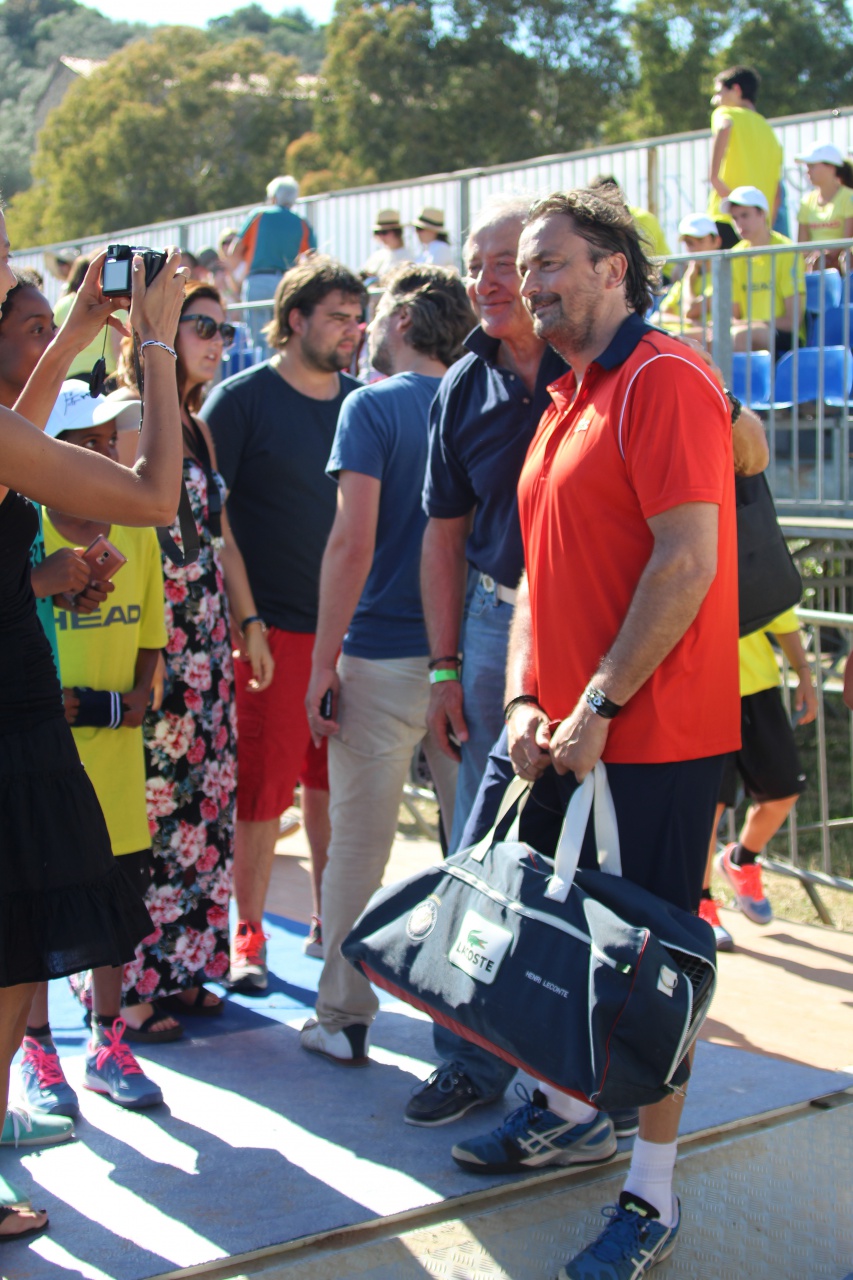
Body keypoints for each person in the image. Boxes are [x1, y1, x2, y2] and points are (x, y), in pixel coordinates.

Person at [452, 189, 739, 1279]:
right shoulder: (565, 396)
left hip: (654, 737)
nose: (529, 284)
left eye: (550, 263)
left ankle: (650, 1194)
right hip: (565, 735)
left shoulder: (665, 379)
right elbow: (537, 574)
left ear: (614, 267)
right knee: (558, 944)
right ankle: (569, 1114)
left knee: (655, 969)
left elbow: (686, 560)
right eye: (523, 267)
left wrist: (601, 703)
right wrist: (528, 699)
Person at [0, 215, 185, 1241]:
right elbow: (153, 496)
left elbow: (15, 442)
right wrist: (152, 342)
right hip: (10, 723)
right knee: (12, 950)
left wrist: (74, 331)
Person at [415, 195, 568, 1123]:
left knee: (581, 852)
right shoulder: (460, 383)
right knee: (479, 852)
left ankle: (574, 1070)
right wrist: (441, 668)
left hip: (590, 634)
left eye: (507, 261)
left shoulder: (600, 361)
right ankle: (468, 1058)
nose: (487, 280)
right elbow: (442, 535)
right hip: (487, 627)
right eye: (475, 264)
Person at [300, 264, 474, 1065]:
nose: (365, 325)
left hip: (376, 659)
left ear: (402, 320)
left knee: (357, 851)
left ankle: (342, 1016)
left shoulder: (369, 406)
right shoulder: (483, 399)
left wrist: (321, 661)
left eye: (375, 312)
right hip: (462, 661)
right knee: (472, 851)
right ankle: (476, 1026)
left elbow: (351, 542)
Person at [205, 258, 364, 989]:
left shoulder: (363, 404)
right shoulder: (239, 402)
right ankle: (248, 933)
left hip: (353, 638)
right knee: (262, 793)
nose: (351, 331)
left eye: (357, 319)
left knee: (333, 790)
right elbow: (209, 518)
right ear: (295, 319)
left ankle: (332, 922)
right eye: (337, 317)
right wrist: (248, 621)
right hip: (271, 635)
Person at [123, 282, 273, 1027]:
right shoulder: (129, 416)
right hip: (157, 633)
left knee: (205, 800)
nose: (217, 341)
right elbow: (120, 530)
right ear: (159, 330)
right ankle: (135, 984)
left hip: (208, 636)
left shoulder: (198, 425)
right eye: (201, 327)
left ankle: (188, 966)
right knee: (153, 808)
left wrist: (250, 623)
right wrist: (144, 647)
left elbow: (221, 537)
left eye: (223, 329)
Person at [20, 383, 168, 1114]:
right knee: (32, 906)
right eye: (86, 442)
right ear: (47, 452)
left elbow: (152, 640)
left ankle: (107, 1042)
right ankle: (36, 1049)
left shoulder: (136, 527)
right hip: (35, 760)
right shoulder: (21, 526)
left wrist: (135, 696)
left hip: (114, 762)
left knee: (113, 897)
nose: (106, 454)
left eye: (112, 440)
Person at [701, 610, 816, 950]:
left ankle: (741, 860)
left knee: (784, 791)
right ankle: (700, 904)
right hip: (701, 688)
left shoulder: (754, 570)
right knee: (709, 806)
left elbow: (783, 618)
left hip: (759, 689)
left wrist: (804, 674)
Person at [232, 176, 316, 355]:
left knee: (258, 340)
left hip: (258, 281)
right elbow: (313, 257)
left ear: (273, 196)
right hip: (286, 283)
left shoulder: (259, 215)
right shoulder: (301, 222)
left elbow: (235, 249)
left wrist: (235, 276)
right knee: (282, 336)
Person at [729, 185, 806, 354]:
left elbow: (792, 321)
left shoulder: (786, 251)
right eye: (735, 218)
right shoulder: (735, 255)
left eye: (745, 215)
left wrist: (753, 324)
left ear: (762, 214)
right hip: (748, 330)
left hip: (785, 335)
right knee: (708, 338)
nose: (739, 223)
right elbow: (734, 315)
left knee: (740, 336)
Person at [708, 65, 783, 237]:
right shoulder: (770, 132)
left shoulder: (725, 112)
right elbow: (777, 192)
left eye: (719, 92)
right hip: (760, 226)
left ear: (736, 90)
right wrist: (766, 224)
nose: (715, 100)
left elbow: (724, 126)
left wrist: (715, 179)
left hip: (726, 218)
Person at [657, 214, 722, 340]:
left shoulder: (723, 278)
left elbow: (690, 310)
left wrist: (688, 278)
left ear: (717, 241)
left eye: (701, 241)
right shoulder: (685, 280)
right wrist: (692, 324)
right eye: (689, 243)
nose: (695, 249)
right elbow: (658, 317)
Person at [795, 142, 853, 272]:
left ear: (831, 167)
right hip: (814, 269)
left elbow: (847, 243)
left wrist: (824, 258)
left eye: (812, 166)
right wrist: (814, 261)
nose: (808, 171)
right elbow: (803, 247)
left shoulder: (849, 198)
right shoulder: (806, 201)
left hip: (842, 270)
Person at [361, 210, 411, 282]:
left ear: (397, 232)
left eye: (384, 232)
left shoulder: (409, 257)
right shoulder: (377, 256)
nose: (380, 236)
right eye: (377, 232)